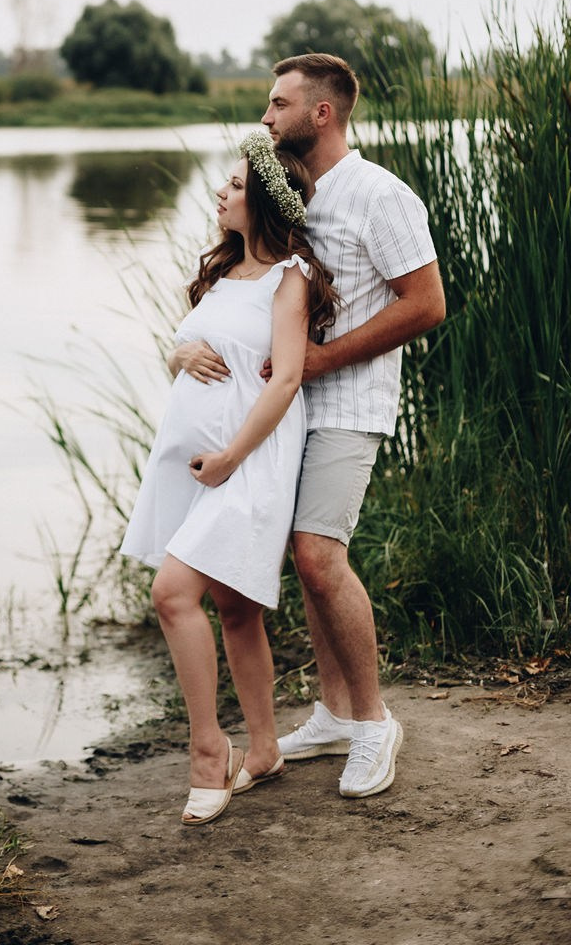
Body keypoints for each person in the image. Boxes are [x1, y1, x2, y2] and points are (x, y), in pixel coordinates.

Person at [120, 131, 337, 826]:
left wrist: (232, 460)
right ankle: (266, 748)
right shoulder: (219, 272)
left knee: (172, 594)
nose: (221, 191)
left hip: (248, 461)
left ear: (267, 203)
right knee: (235, 606)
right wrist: (179, 351)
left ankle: (208, 751)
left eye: (236, 184)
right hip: (192, 464)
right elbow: (188, 354)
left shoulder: (290, 277)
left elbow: (286, 381)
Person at [260, 52, 446, 798]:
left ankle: (373, 723)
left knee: (318, 555)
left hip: (350, 404)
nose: (266, 118)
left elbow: (427, 303)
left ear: (321, 113)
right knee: (304, 559)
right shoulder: (294, 193)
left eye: (278, 105)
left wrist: (325, 360)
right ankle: (334, 713)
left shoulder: (380, 195)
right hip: (294, 406)